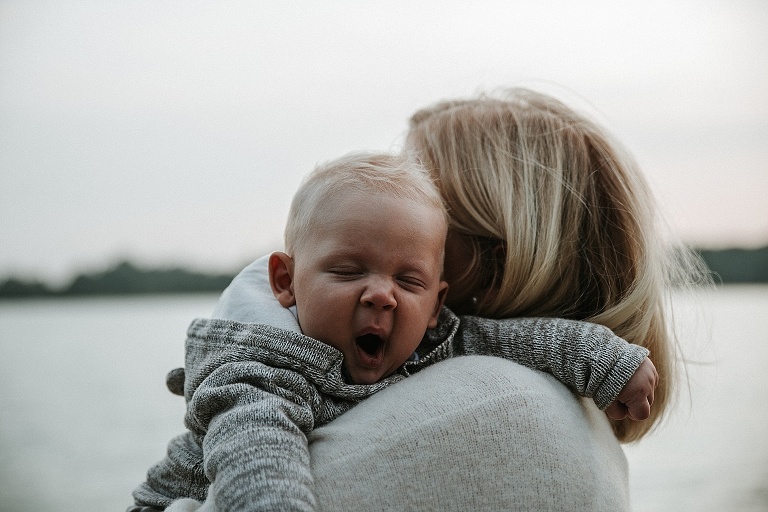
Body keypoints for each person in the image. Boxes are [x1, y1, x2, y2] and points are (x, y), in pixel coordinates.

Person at [129, 149, 656, 511]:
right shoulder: (263, 366)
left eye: (408, 280)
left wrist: (610, 363)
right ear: (286, 281)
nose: (381, 294)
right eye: (348, 270)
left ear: (436, 304)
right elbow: (256, 455)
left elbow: (521, 341)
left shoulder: (436, 339)